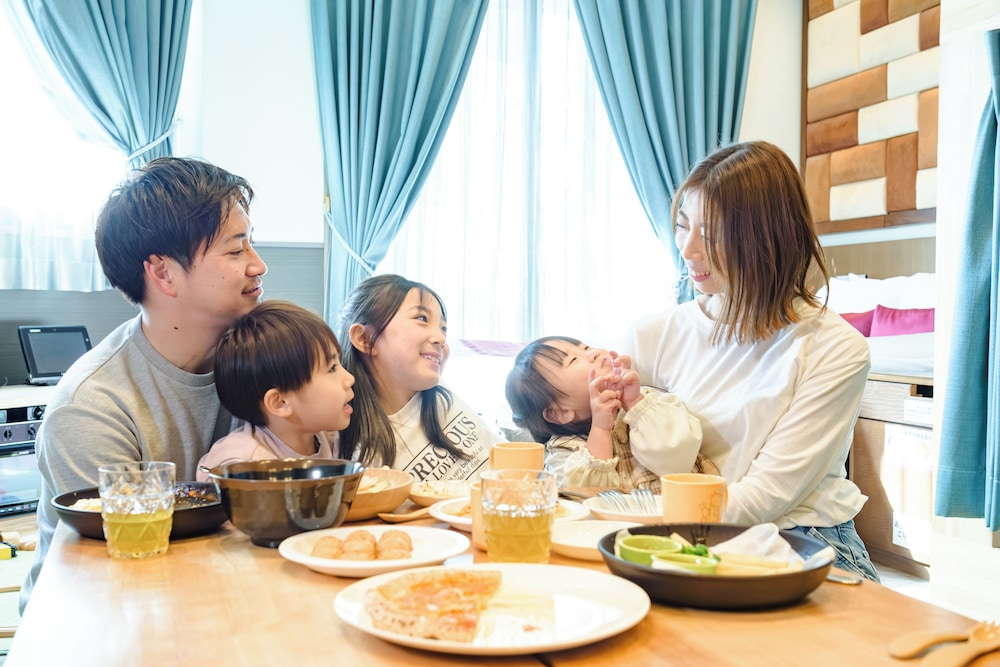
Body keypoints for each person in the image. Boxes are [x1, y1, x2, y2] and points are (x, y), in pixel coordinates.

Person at [619, 140, 880, 581]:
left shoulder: (834, 348)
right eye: (683, 226)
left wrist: (656, 531)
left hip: (800, 539)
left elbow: (766, 495)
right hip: (679, 534)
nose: (687, 249)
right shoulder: (651, 337)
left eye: (711, 235)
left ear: (767, 238)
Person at [22, 157, 267, 613]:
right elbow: (122, 575)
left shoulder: (262, 360)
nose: (258, 265)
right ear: (163, 274)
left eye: (252, 244)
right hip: (100, 616)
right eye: (236, 251)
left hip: (221, 590)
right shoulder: (91, 407)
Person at [336, 274, 504, 481]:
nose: (441, 338)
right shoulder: (354, 448)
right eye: (422, 319)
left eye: (443, 328)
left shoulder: (442, 395)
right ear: (365, 338)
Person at [505, 336, 711, 491]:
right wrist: (601, 429)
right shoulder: (563, 454)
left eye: (586, 347)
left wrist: (635, 403)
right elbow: (591, 497)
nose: (593, 353)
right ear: (559, 413)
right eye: (573, 360)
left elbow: (679, 461)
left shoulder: (652, 403)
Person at [196, 301, 354, 480]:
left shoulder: (327, 439)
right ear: (280, 402)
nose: (349, 378)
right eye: (332, 368)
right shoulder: (241, 466)